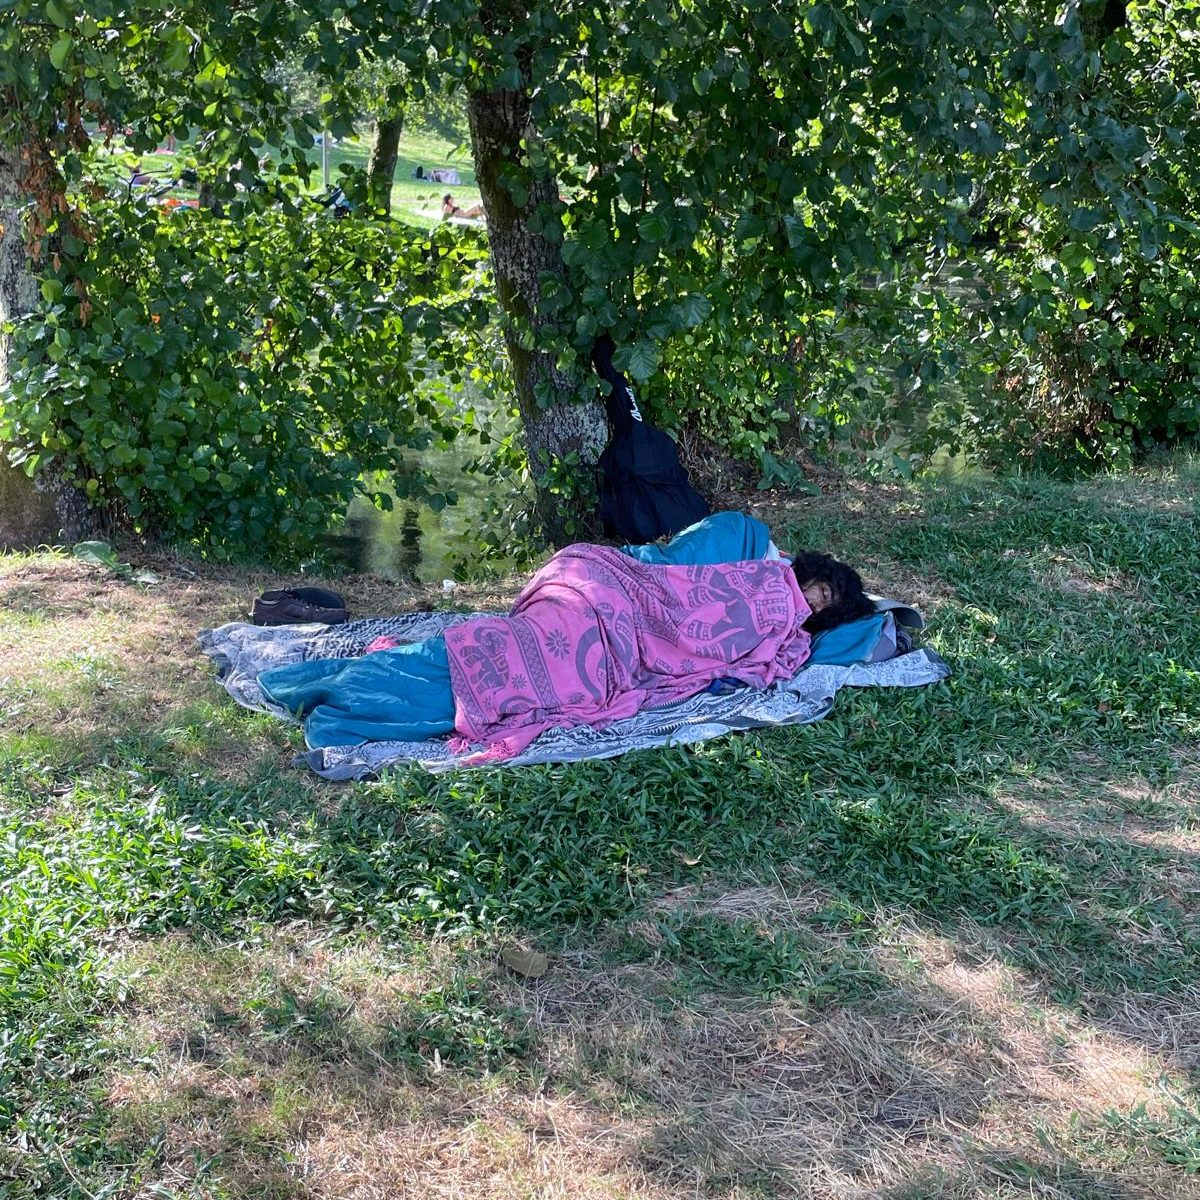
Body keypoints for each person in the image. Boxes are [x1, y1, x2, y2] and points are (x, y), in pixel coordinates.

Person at [258, 512, 875, 760]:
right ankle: (342, 683)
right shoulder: (759, 571)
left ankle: (348, 694)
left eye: (822, 605)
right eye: (817, 588)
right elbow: (680, 591)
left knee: (515, 681)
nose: (811, 601)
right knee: (496, 643)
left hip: (618, 652)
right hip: (603, 601)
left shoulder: (789, 631)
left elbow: (726, 652)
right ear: (805, 573)